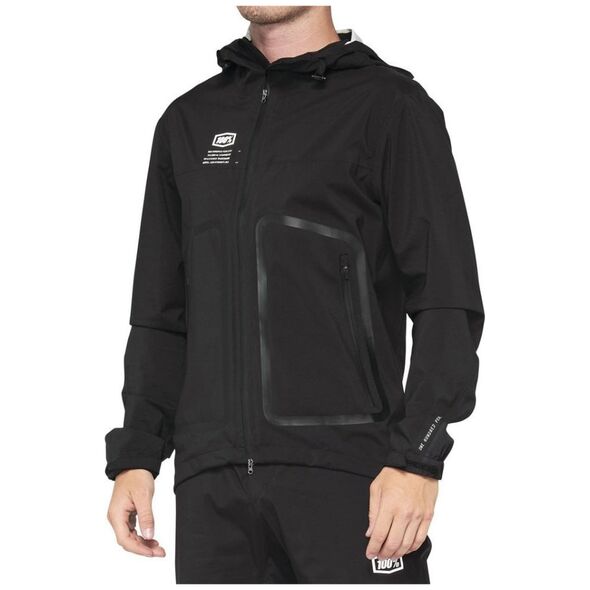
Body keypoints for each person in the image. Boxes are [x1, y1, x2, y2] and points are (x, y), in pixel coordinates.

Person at [105, 5, 484, 584]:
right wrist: (137, 454)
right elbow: (160, 310)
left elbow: (446, 298)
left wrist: (419, 457)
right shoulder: (188, 121)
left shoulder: (389, 106)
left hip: (354, 478)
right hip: (212, 489)